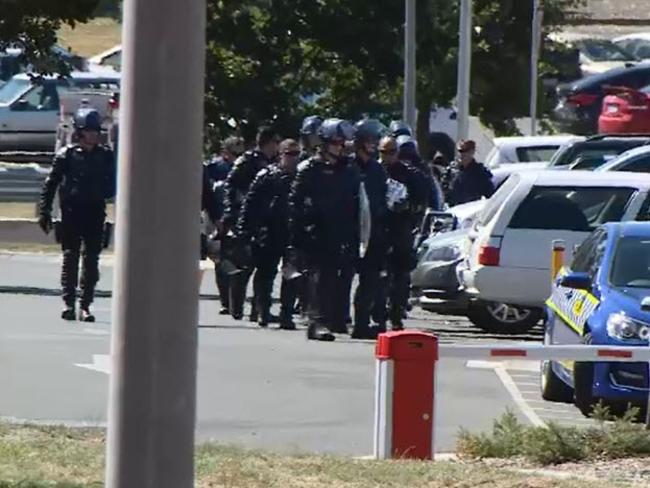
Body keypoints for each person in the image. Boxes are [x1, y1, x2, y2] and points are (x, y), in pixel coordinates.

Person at [38, 107, 116, 322]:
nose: (93, 135)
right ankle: (68, 303)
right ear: (80, 132)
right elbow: (50, 183)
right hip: (71, 212)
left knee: (91, 260)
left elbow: (116, 182)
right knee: (70, 257)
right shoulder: (67, 155)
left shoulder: (106, 156)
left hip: (95, 212)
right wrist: (44, 211)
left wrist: (107, 191)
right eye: (89, 131)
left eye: (95, 131)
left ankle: (86, 304)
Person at [289, 118, 360, 342]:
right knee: (319, 278)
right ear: (325, 142)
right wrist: (299, 236)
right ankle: (316, 321)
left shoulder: (348, 170)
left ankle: (336, 318)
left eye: (343, 144)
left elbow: (356, 202)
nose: (341, 148)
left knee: (338, 278)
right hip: (316, 233)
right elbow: (294, 205)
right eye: (337, 143)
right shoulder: (309, 169)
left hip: (341, 232)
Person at [237, 139, 301, 328]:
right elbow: (250, 202)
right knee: (266, 273)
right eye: (290, 154)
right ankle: (262, 310)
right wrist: (244, 230)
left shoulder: (302, 176)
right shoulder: (267, 175)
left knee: (292, 275)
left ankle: (286, 314)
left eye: (297, 154)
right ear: (281, 154)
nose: (294, 158)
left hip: (292, 230)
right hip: (268, 230)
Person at [223, 126, 280, 320]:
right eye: (275, 142)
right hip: (246, 218)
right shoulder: (247, 161)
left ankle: (260, 309)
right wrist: (232, 214)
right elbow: (230, 186)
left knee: (265, 267)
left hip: (266, 220)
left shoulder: (272, 163)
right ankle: (236, 307)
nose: (277, 147)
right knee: (244, 265)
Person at [378, 136, 428, 330]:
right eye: (383, 152)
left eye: (391, 152)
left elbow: (422, 201)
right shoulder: (374, 172)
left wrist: (409, 207)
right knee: (377, 276)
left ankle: (396, 315)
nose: (387, 157)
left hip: (401, 230)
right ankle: (378, 315)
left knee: (400, 276)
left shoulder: (410, 174)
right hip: (378, 229)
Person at [350, 119, 388, 339]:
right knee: (338, 279)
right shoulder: (348, 167)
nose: (374, 145)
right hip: (349, 231)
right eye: (370, 140)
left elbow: (382, 198)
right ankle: (330, 319)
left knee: (371, 280)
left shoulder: (376, 169)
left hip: (373, 232)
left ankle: (362, 323)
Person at [445, 139, 495, 206]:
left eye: (465, 151)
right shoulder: (452, 170)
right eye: (460, 151)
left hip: (470, 211)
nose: (461, 154)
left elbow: (491, 195)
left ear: (472, 152)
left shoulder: (480, 173)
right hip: (452, 211)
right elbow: (444, 192)